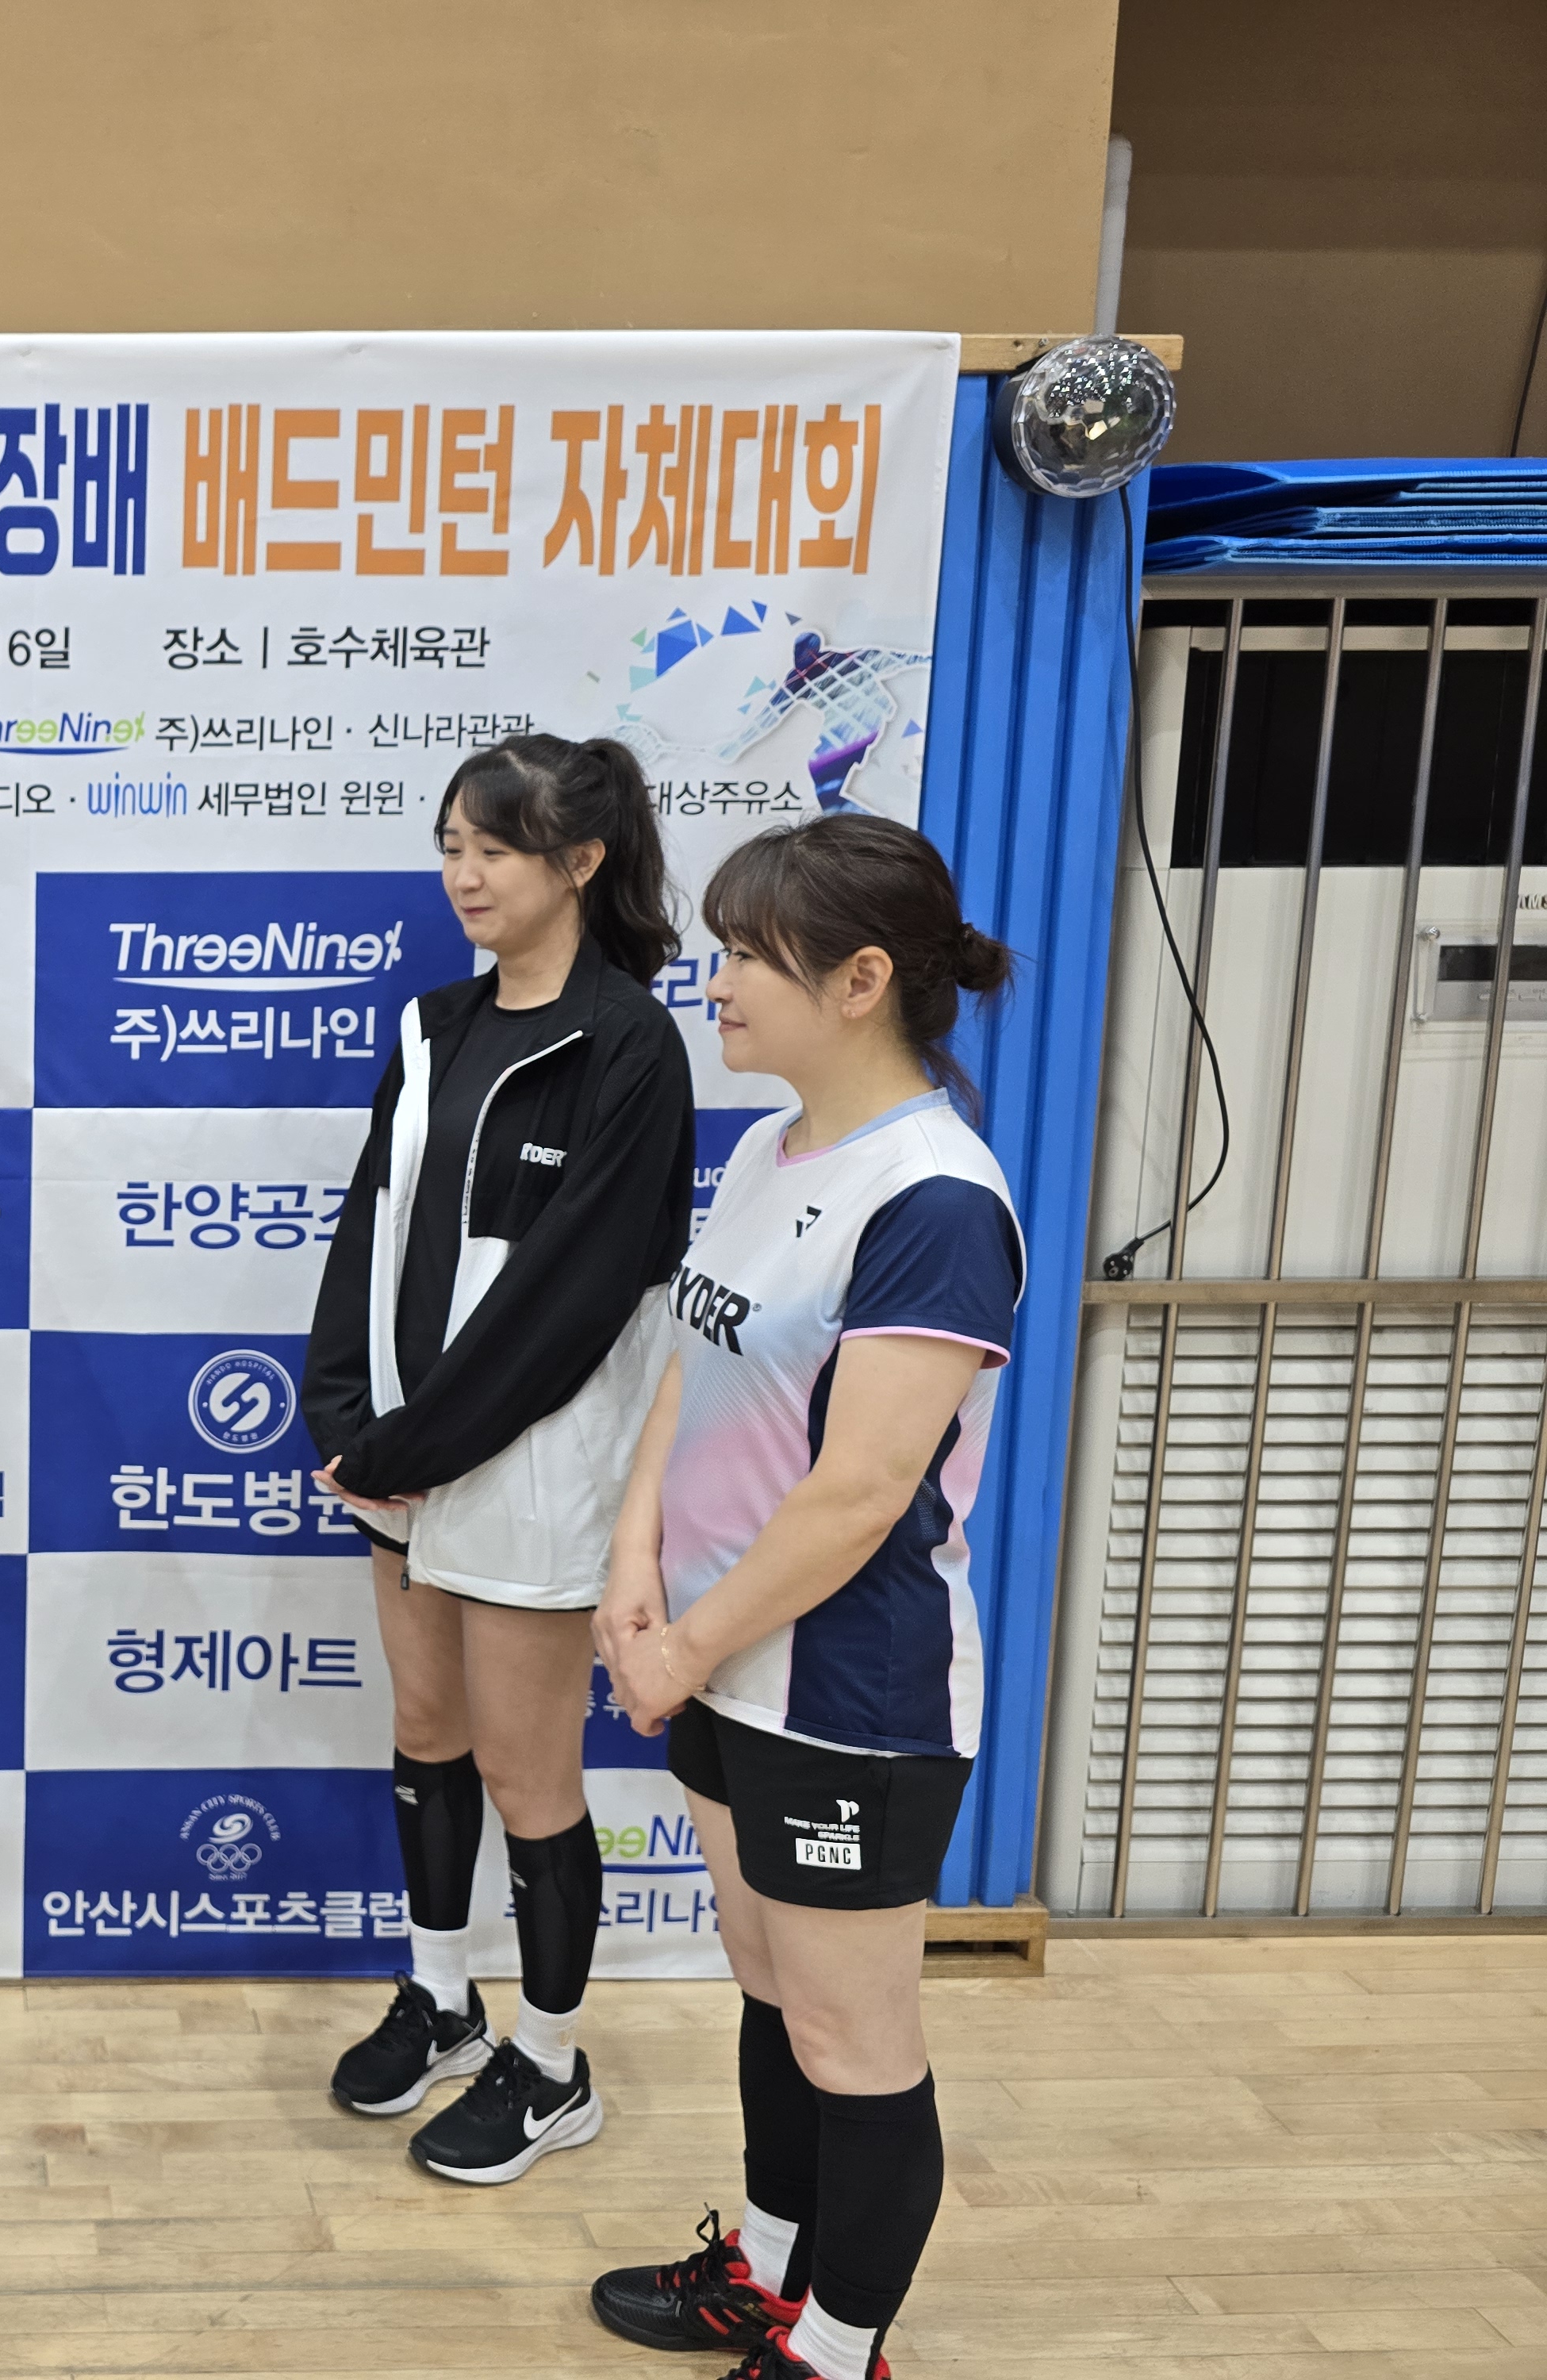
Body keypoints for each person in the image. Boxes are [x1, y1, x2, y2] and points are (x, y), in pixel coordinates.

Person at [587, 813, 1021, 2380]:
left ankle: (837, 2352)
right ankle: (768, 2272)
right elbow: (686, 1370)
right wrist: (631, 1570)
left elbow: (857, 1494)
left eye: (745, 956)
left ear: (859, 980)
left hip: (844, 1693)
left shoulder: (936, 1200)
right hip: (717, 1663)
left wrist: (682, 1644)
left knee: (853, 2037)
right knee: (773, 1991)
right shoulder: (773, 1150)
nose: (714, 984)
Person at [305, 734, 694, 2184]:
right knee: (427, 1730)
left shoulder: (629, 1045)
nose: (464, 875)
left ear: (579, 862)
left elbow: (571, 1297)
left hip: (529, 1460)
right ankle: (441, 1997)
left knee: (533, 1777)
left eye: (494, 848)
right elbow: (371, 1228)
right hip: (403, 1456)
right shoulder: (434, 1027)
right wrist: (347, 1422)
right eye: (450, 848)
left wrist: (415, 1445)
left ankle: (552, 2060)